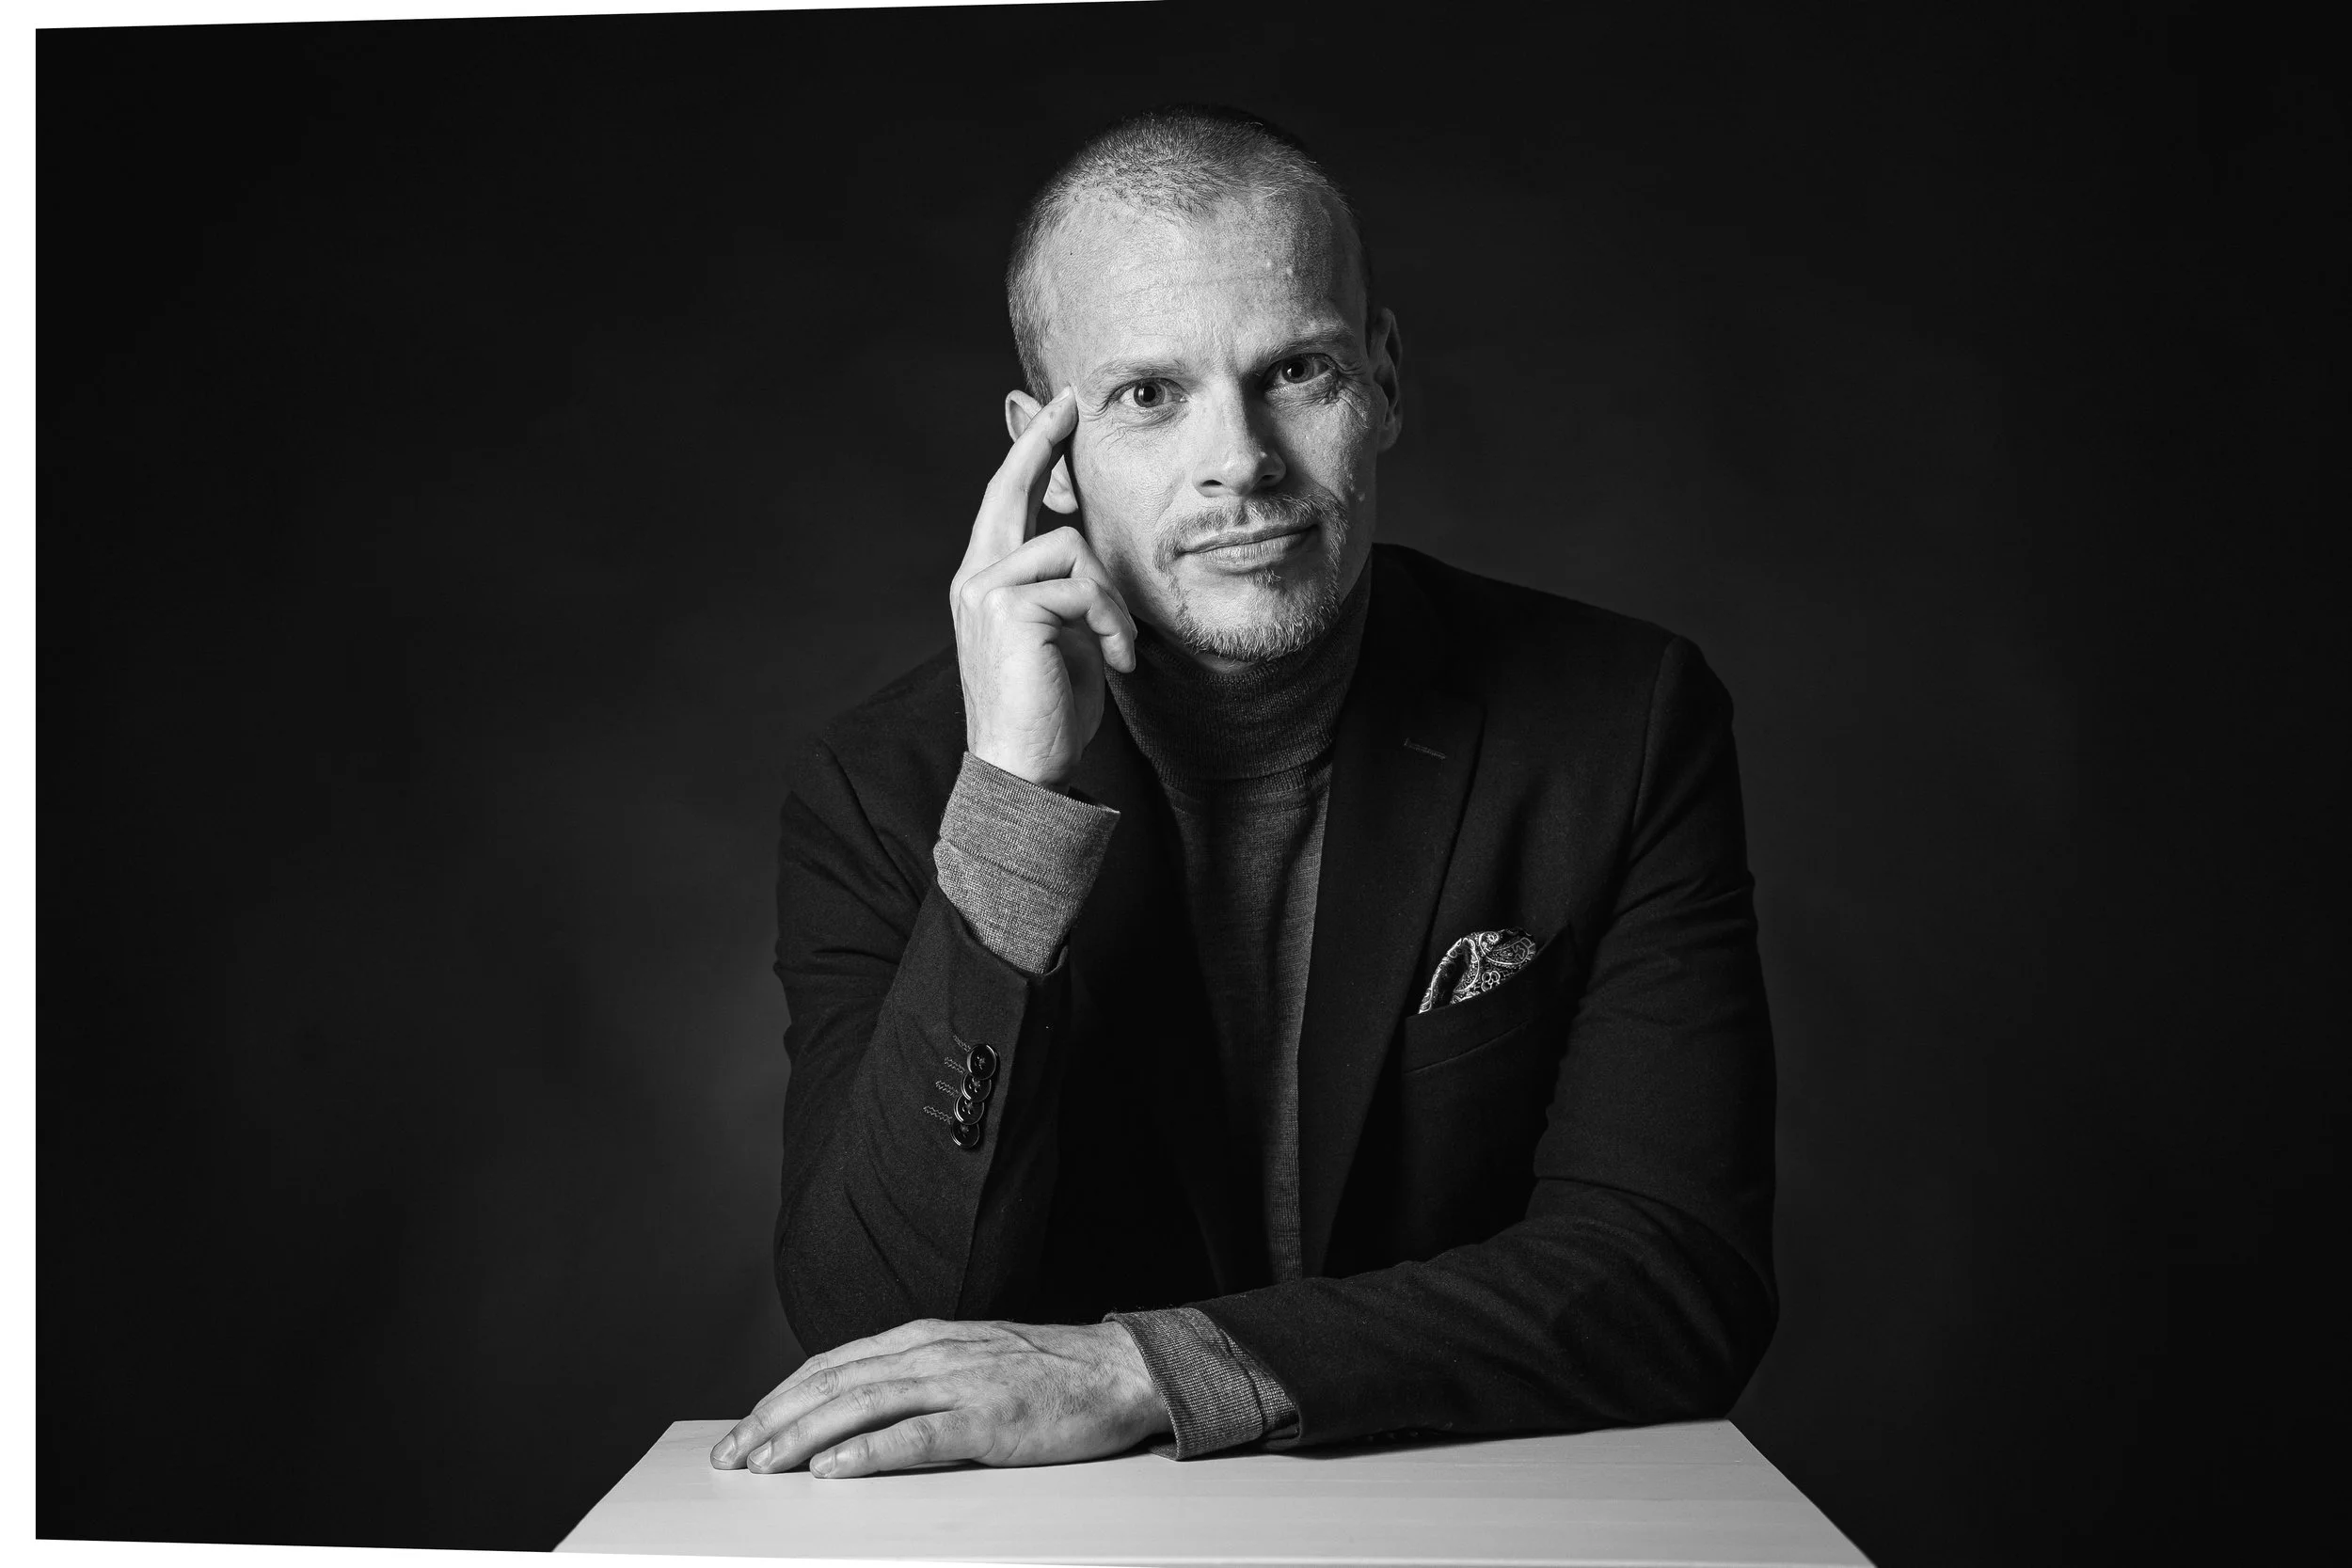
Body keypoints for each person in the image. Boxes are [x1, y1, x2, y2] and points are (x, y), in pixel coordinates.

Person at [710, 105, 1777, 1480]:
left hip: (1476, 1520)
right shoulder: (890, 782)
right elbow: (871, 1328)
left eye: (1298, 370)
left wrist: (1146, 1368)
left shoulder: (1618, 722)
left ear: (1383, 380)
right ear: (1045, 449)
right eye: (1149, 395)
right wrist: (1014, 804)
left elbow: (1678, 1273)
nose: (1242, 461)